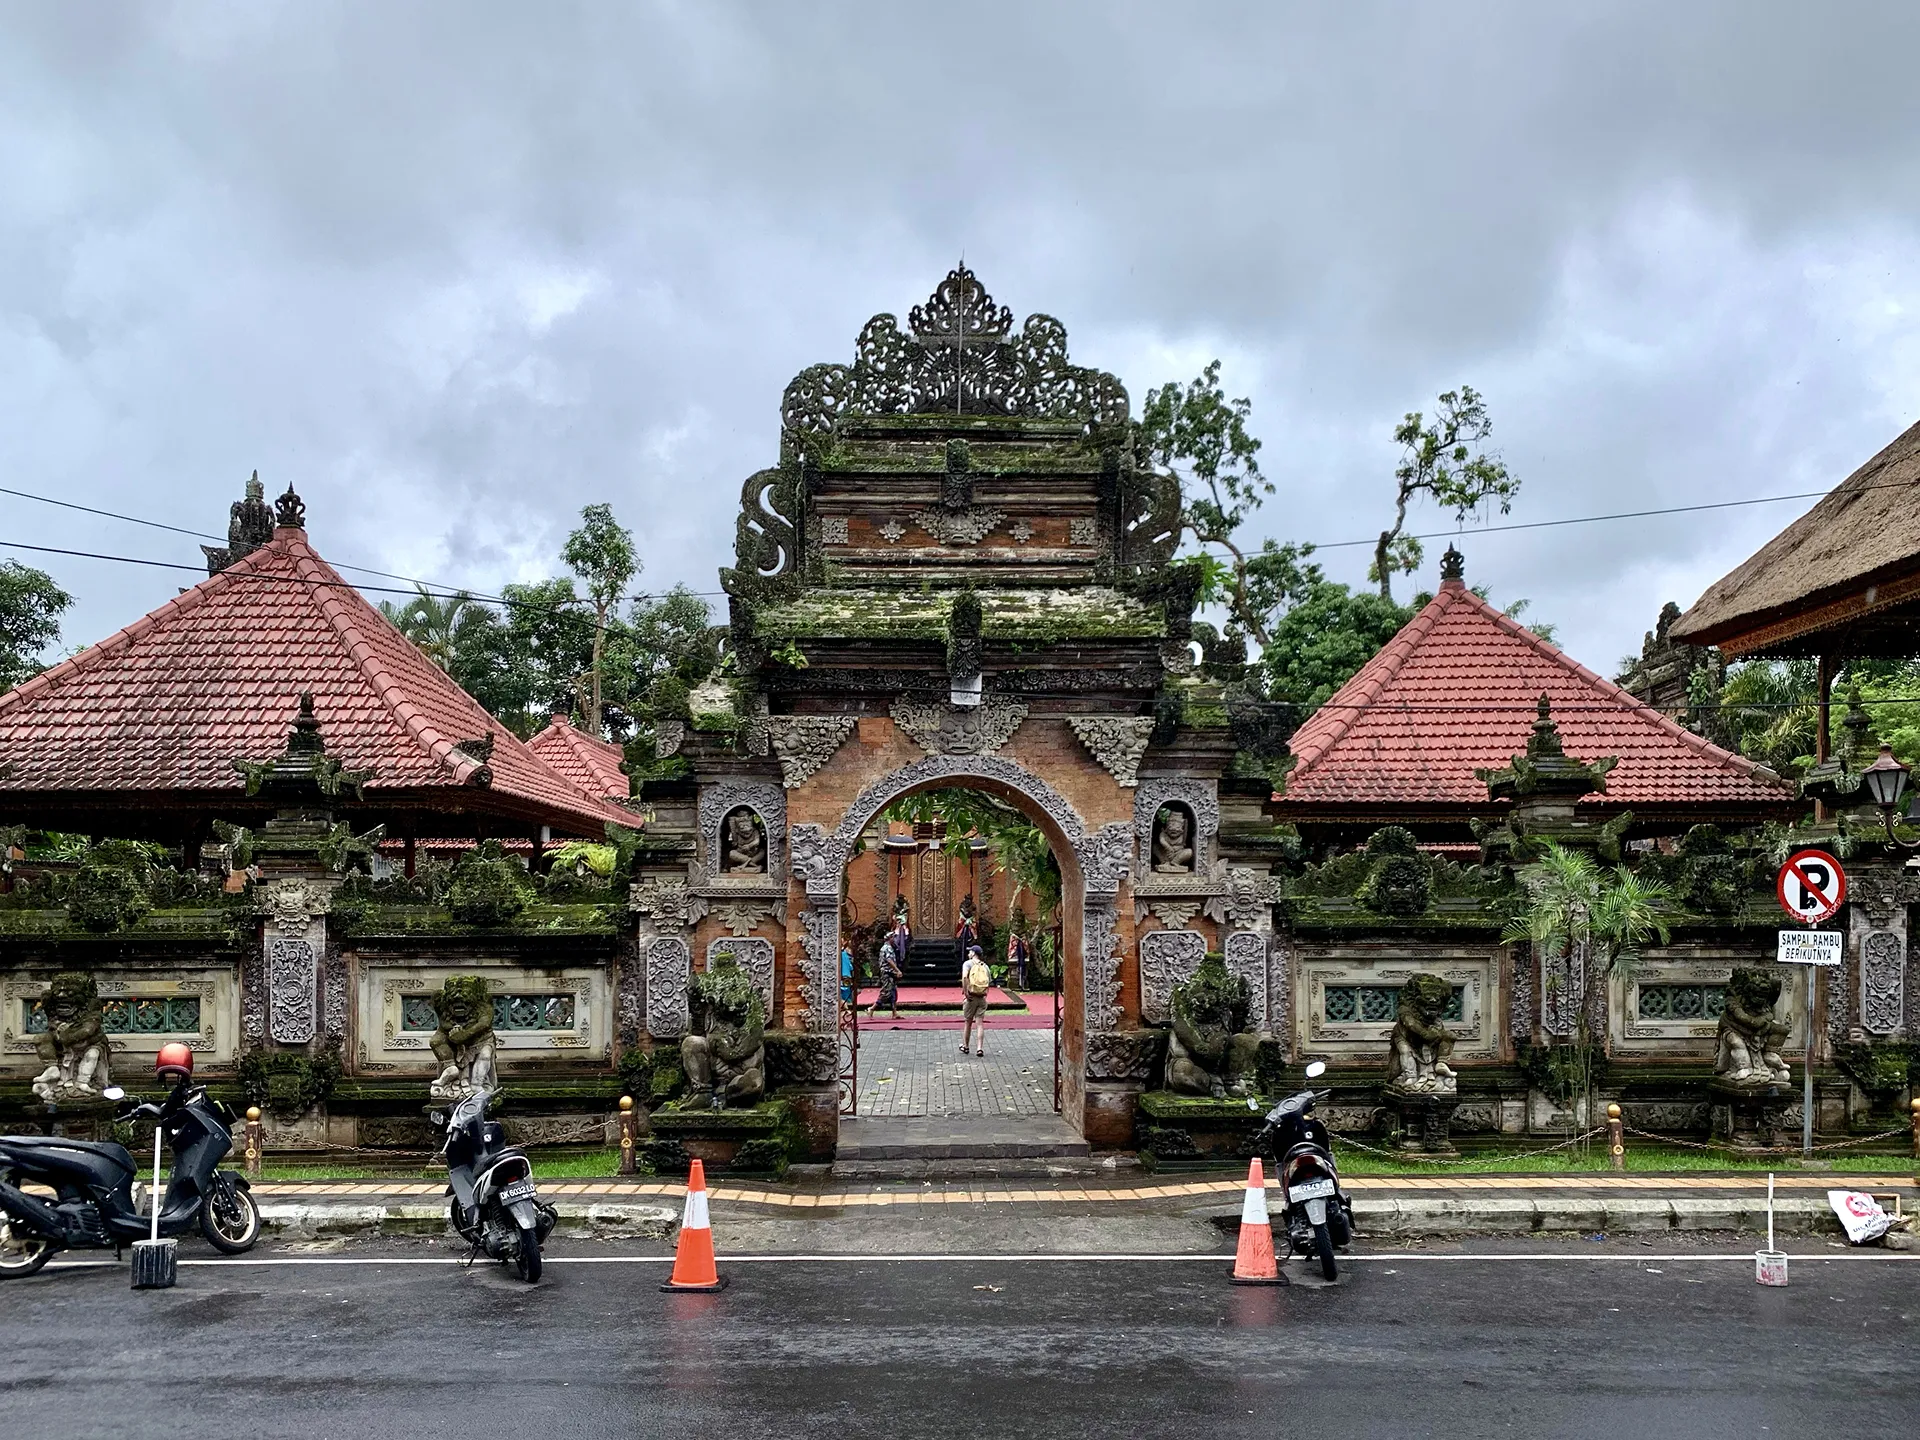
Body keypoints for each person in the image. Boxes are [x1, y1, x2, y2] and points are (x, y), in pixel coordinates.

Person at [959, 944, 992, 1057]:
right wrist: (984, 993)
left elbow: (964, 977)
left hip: (971, 997)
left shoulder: (967, 964)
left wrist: (965, 992)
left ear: (973, 953)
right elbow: (988, 983)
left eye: (970, 952)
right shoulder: (985, 966)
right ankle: (979, 1048)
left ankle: (966, 1046)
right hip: (982, 997)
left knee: (968, 1022)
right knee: (980, 1023)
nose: (968, 954)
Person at [868, 935, 903, 1020]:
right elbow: (889, 960)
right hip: (887, 973)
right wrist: (897, 970)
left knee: (894, 992)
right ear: (889, 939)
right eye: (893, 938)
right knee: (886, 992)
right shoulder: (886, 948)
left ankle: (894, 1012)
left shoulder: (890, 947)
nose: (894, 940)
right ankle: (872, 1008)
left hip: (891, 973)